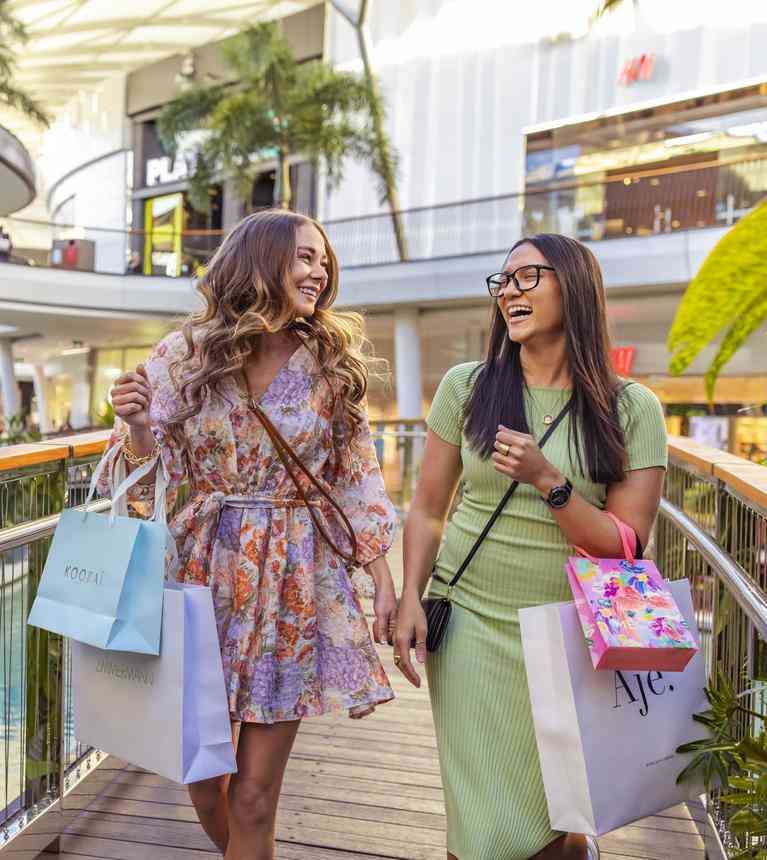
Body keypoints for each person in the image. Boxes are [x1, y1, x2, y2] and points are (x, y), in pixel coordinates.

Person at [97, 209, 399, 860]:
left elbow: (357, 477)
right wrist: (139, 427)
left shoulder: (330, 365)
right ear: (260, 261)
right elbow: (143, 486)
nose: (320, 271)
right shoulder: (185, 354)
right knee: (206, 783)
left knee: (257, 795)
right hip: (198, 579)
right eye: (304, 258)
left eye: (324, 260)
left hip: (289, 586)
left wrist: (381, 579)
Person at [394, 233, 667, 860]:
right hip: (469, 625)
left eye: (527, 278)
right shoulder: (467, 387)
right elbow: (429, 509)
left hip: (570, 636)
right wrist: (410, 593)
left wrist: (550, 482)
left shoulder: (631, 408)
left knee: (556, 819)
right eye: (503, 282)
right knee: (485, 828)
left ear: (573, 285)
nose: (509, 292)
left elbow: (626, 546)